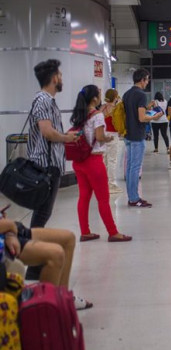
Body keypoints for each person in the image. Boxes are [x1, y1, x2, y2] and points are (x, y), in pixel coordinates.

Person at [25, 59, 80, 281]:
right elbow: (47, 132)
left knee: (42, 214)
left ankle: (34, 261)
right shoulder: (42, 100)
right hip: (45, 166)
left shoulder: (48, 101)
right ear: (54, 77)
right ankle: (33, 262)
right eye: (60, 74)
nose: (62, 78)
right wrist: (66, 137)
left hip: (50, 164)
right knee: (41, 214)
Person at [70, 85, 132, 243]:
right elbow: (99, 136)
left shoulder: (79, 114)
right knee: (103, 199)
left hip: (79, 161)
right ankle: (113, 232)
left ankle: (85, 231)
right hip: (93, 162)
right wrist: (108, 138)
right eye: (98, 94)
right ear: (94, 98)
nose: (100, 96)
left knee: (84, 197)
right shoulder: (96, 115)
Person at [0, 212, 92, 310]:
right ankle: (47, 311)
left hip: (10, 231)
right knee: (55, 254)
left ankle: (62, 299)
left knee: (69, 238)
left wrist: (10, 231)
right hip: (6, 236)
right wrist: (9, 226)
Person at [122, 68, 163, 208]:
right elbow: (141, 117)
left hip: (128, 135)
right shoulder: (141, 94)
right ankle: (134, 199)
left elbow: (133, 113)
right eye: (147, 79)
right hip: (137, 136)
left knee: (129, 168)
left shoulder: (127, 94)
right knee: (135, 168)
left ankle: (131, 197)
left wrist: (147, 107)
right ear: (142, 79)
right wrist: (154, 116)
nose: (148, 82)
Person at [100, 89, 123, 194]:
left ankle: (103, 183)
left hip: (103, 134)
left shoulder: (102, 107)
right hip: (113, 135)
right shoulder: (115, 109)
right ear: (115, 97)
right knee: (112, 160)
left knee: (103, 160)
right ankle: (111, 184)